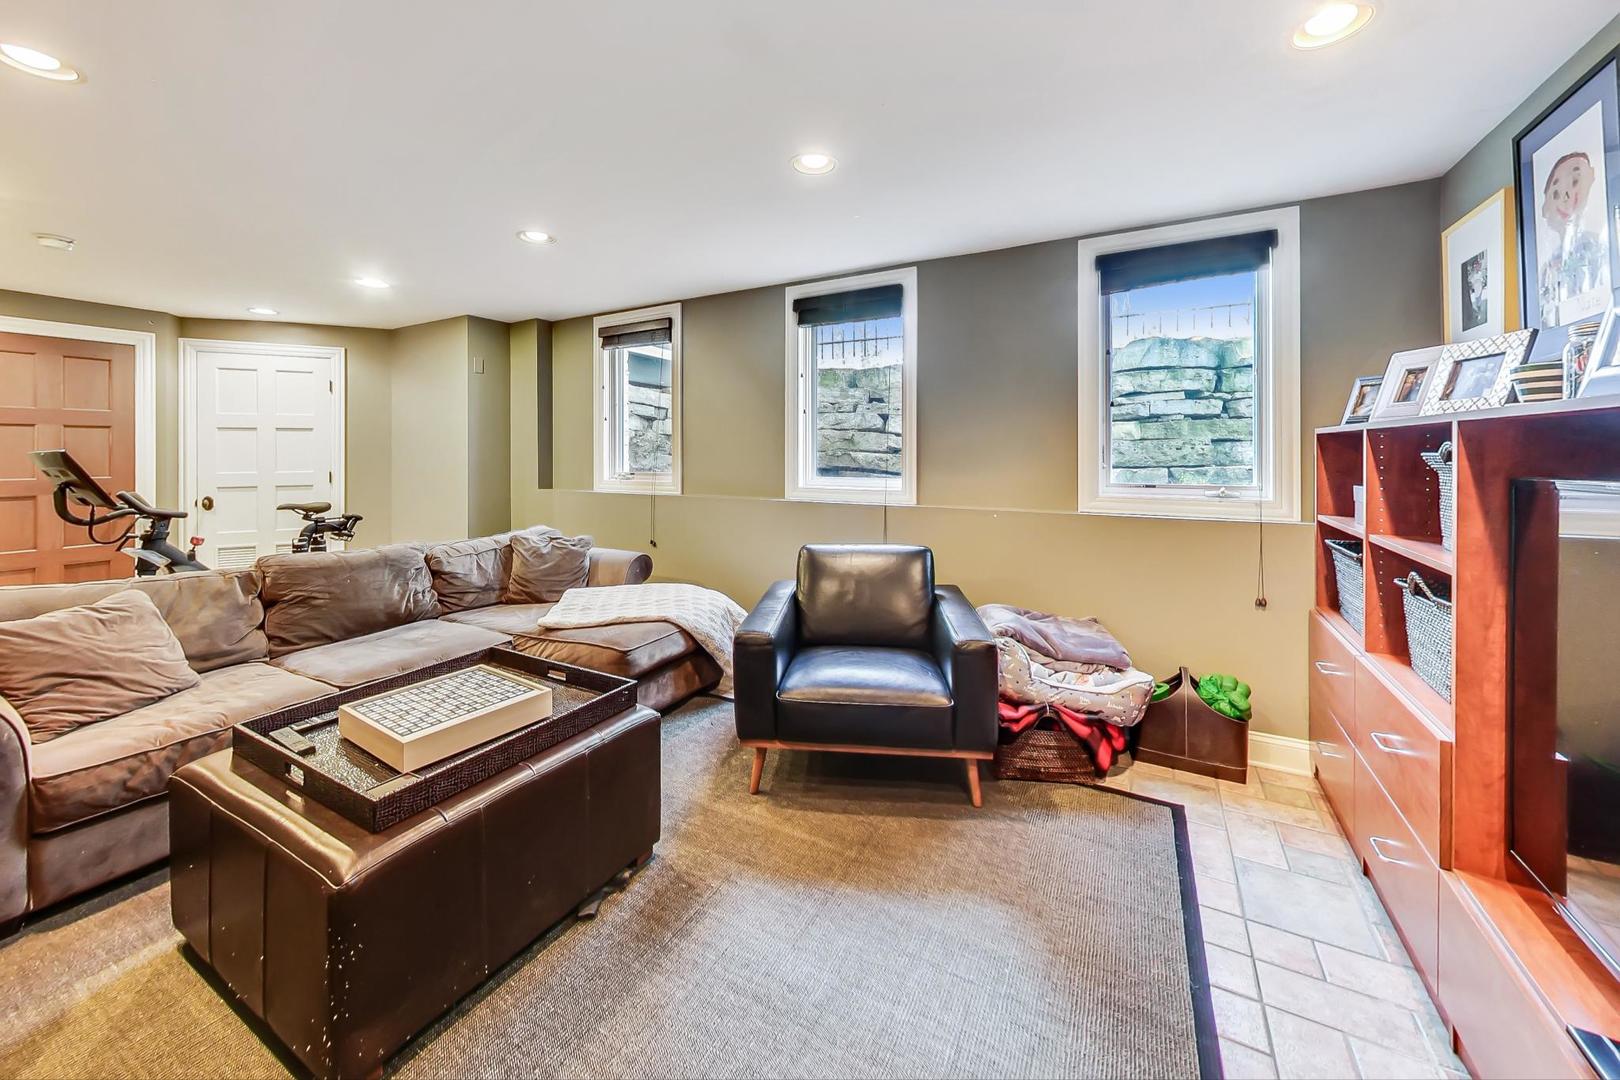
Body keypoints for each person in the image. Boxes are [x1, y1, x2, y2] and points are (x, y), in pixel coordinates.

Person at [1539, 150, 1609, 327]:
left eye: (1575, 182)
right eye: (1555, 192)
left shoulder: (1598, 249)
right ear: (1545, 206)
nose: (1565, 196)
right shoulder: (1547, 268)